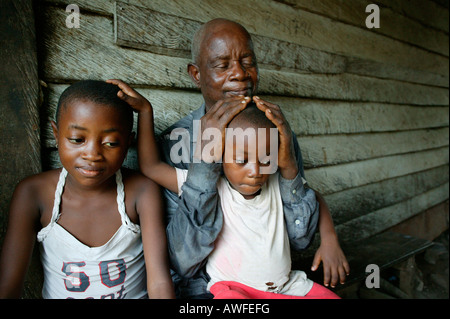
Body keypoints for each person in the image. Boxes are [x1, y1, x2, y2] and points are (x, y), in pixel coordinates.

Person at [114, 17, 349, 299]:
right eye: (222, 65)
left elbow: (299, 239)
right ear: (196, 74)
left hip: (278, 283)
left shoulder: (275, 132)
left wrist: (290, 171)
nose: (240, 73)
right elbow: (185, 262)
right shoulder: (177, 143)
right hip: (208, 289)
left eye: (248, 62)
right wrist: (203, 165)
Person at [0, 80, 174, 299]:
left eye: (111, 143)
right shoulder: (34, 193)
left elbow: (159, 282)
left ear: (128, 142)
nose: (92, 154)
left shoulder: (141, 191)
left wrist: (146, 112)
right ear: (56, 133)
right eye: (77, 140)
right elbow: (8, 286)